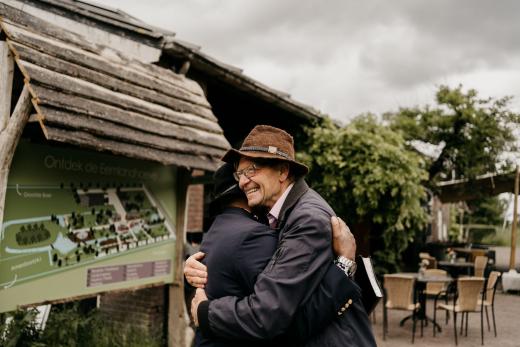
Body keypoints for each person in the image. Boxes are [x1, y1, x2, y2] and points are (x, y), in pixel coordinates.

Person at [187, 125, 376, 346]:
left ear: (283, 171)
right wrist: (196, 266)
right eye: (240, 173)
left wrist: (206, 312)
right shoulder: (283, 212)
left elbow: (267, 314)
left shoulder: (308, 220)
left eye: (252, 169)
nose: (242, 182)